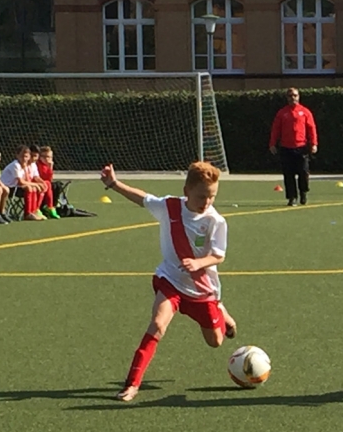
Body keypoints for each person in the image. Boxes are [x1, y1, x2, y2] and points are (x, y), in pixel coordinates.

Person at [99, 161, 239, 402]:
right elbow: (142, 198)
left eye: (212, 196)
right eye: (202, 196)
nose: (207, 201)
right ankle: (132, 384)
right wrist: (114, 183)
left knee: (215, 341)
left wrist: (199, 263)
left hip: (201, 289)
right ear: (186, 191)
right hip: (170, 280)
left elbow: (219, 255)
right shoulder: (169, 207)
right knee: (157, 325)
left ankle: (220, 309)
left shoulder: (215, 221)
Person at [269, 87, 317, 207]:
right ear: (287, 98)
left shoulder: (305, 112)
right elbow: (276, 129)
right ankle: (292, 197)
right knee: (288, 174)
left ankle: (303, 192)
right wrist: (272, 143)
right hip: (286, 148)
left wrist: (314, 143)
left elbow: (311, 128)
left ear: (298, 97)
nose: (293, 98)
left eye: (295, 95)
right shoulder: (282, 113)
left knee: (304, 172)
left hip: (301, 147)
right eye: (290, 96)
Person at [0, 145, 46, 221]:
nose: (24, 159)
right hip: (8, 188)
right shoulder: (15, 165)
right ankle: (27, 214)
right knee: (29, 187)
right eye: (22, 156)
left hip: (17, 187)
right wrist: (37, 184)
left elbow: (27, 180)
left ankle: (33, 211)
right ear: (17, 156)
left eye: (26, 157)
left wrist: (39, 184)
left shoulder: (25, 164)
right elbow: (21, 182)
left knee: (33, 188)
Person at [28, 144, 59, 219]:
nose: (47, 159)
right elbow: (39, 177)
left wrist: (50, 167)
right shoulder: (38, 164)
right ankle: (41, 207)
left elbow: (49, 179)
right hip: (33, 183)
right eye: (44, 157)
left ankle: (50, 206)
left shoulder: (47, 165)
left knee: (50, 184)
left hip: (42, 184)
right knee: (47, 184)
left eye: (49, 157)